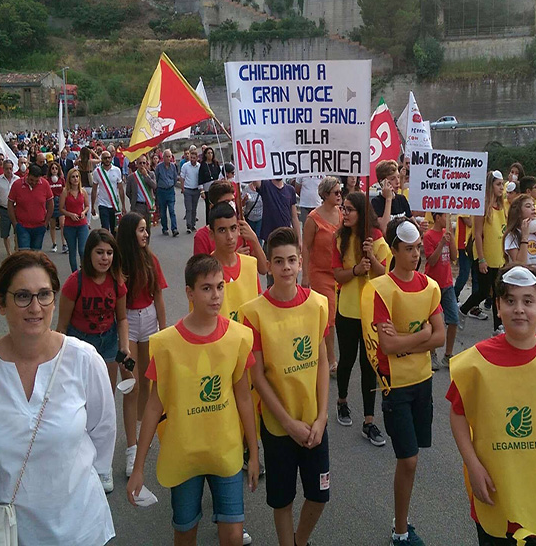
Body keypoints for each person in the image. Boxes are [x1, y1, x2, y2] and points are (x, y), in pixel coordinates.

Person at [0, 252, 115, 545]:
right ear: (1, 303)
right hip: (3, 533)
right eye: (22, 296)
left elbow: (103, 433)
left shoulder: (84, 360)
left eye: (44, 295)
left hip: (75, 528)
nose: (35, 307)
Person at [447, 265, 536, 546]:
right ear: (498, 307)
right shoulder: (475, 362)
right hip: (496, 496)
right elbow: (457, 414)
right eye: (510, 301)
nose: (519, 309)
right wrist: (473, 467)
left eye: (528, 301)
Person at [126, 255, 259, 546]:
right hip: (184, 454)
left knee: (234, 535)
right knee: (185, 532)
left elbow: (244, 398)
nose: (216, 295)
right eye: (207, 288)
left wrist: (254, 451)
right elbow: (153, 406)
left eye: (220, 286)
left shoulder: (238, 337)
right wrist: (138, 467)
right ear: (189, 293)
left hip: (226, 451)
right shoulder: (166, 344)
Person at [241, 228, 330, 546]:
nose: (286, 268)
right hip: (279, 427)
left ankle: (299, 540)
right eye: (278, 261)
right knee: (282, 500)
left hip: (313, 423)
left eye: (292, 260)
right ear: (270, 264)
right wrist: (288, 423)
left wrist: (321, 418)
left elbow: (321, 363)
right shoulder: (254, 313)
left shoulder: (318, 304)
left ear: (301, 262)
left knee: (319, 495)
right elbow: (259, 378)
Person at [363, 219, 446, 546]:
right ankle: (400, 529)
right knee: (408, 458)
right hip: (394, 385)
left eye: (417, 248)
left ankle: (403, 519)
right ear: (394, 250)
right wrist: (423, 334)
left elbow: (439, 336)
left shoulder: (430, 287)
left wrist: (414, 339)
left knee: (412, 458)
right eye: (408, 249)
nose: (416, 254)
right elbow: (388, 346)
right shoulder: (381, 289)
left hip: (422, 382)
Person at [55, 230, 130, 492]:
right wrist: (57, 359)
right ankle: (77, 458)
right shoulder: (74, 283)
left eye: (109, 253)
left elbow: (121, 318)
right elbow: (61, 326)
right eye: (100, 252)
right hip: (79, 343)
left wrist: (124, 347)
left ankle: (103, 466)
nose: (105, 258)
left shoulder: (117, 282)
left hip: (107, 342)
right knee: (79, 403)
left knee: (105, 405)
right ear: (89, 254)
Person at [331, 191, 390, 446]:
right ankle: (342, 401)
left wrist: (372, 259)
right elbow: (337, 275)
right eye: (343, 208)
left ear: (362, 212)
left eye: (349, 209)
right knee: (346, 360)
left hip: (370, 313)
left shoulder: (376, 238)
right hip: (346, 310)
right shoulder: (339, 238)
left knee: (370, 365)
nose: (344, 213)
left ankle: (369, 421)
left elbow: (385, 275)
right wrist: (356, 269)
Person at [116, 213, 167, 483]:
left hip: (148, 323)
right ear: (128, 233)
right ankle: (131, 448)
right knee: (131, 385)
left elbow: (159, 296)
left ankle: (145, 435)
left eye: (146, 230)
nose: (146, 235)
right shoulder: (118, 263)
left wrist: (164, 330)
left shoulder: (151, 260)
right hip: (125, 328)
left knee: (148, 383)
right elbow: (119, 309)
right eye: (141, 230)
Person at [302, 176, 342, 377]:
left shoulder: (341, 214)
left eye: (340, 191)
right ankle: (331, 359)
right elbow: (306, 247)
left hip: (339, 273)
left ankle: (325, 354)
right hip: (320, 273)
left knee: (337, 316)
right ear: (325, 195)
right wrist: (305, 276)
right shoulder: (313, 218)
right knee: (329, 318)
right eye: (335, 192)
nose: (339, 195)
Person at [461, 171, 507, 325]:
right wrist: (481, 259)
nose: (502, 187)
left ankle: (498, 326)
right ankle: (463, 310)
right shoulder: (481, 207)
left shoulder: (502, 207)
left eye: (502, 184)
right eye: (498, 184)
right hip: (485, 256)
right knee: (484, 291)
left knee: (497, 294)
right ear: (490, 186)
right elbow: (477, 235)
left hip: (498, 257)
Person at [208, 203, 264, 323]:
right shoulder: (205, 272)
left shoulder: (250, 264)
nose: (230, 237)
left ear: (239, 229)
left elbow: (257, 307)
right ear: (212, 234)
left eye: (233, 228)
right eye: (222, 230)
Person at [195, 182, 268, 270]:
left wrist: (254, 239)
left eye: (232, 200)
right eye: (225, 202)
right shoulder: (202, 236)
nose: (231, 205)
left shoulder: (243, 229)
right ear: (212, 207)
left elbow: (263, 268)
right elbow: (202, 275)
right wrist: (234, 258)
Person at [424, 212, 459, 370]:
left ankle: (448, 354)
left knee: (453, 320)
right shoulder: (428, 236)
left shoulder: (448, 234)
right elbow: (431, 260)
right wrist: (441, 244)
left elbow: (453, 257)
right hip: (433, 285)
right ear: (437, 218)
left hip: (447, 284)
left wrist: (451, 241)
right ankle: (432, 353)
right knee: (432, 321)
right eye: (446, 217)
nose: (448, 220)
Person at [503, 195, 536, 275]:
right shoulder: (512, 236)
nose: (533, 208)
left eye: (533, 205)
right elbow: (519, 265)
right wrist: (525, 238)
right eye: (528, 206)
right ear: (518, 213)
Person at [8, 164, 54, 251]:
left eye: (37, 181)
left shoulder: (45, 184)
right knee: (25, 255)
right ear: (28, 174)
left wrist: (46, 222)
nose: (34, 183)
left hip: (39, 226)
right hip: (22, 226)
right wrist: (15, 223)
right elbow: (10, 203)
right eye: (31, 180)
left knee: (35, 255)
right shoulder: (17, 184)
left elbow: (51, 203)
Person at [62, 168, 91, 273]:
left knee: (83, 250)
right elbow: (61, 208)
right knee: (72, 251)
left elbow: (87, 206)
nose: (75, 179)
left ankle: (84, 271)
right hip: (69, 225)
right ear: (69, 179)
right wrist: (70, 214)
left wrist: (84, 212)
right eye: (73, 177)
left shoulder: (83, 191)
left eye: (77, 176)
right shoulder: (65, 192)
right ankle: (74, 273)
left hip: (82, 224)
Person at [91, 151, 126, 237]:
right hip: (103, 204)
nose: (107, 160)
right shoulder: (97, 172)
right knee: (105, 229)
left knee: (115, 230)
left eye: (109, 157)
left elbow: (121, 189)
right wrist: (92, 206)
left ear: (111, 158)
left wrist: (123, 206)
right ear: (102, 159)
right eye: (105, 158)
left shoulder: (117, 170)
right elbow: (94, 189)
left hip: (114, 205)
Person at [372, 160, 412, 233]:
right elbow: (384, 229)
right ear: (382, 182)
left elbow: (412, 222)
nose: (397, 181)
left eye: (398, 177)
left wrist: (420, 228)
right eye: (392, 179)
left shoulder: (402, 199)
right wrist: (388, 199)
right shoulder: (376, 202)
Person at [259, 178, 301, 244]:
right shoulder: (266, 185)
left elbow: (294, 217)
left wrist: (299, 240)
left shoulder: (290, 189)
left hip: (286, 237)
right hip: (270, 238)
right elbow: (255, 178)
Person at [0, 158, 18, 256]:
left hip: (16, 210)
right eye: (6, 169)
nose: (9, 171)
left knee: (17, 231)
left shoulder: (17, 180)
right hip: (4, 209)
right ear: (3, 169)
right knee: (5, 233)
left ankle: (16, 250)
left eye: (10, 168)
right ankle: (9, 253)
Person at [155, 149, 180, 237]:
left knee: (172, 210)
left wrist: (171, 184)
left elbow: (175, 177)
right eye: (167, 156)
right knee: (163, 211)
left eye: (170, 157)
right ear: (163, 157)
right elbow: (156, 178)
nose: (168, 158)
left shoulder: (173, 166)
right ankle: (165, 228)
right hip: (161, 191)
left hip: (170, 190)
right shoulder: (159, 167)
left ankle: (174, 229)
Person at [125, 154, 156, 224]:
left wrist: (146, 176)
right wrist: (133, 199)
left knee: (147, 228)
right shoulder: (131, 177)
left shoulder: (151, 174)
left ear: (146, 163)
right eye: (140, 163)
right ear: (137, 165)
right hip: (138, 206)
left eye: (144, 163)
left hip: (148, 205)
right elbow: (128, 192)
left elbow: (154, 186)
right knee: (138, 226)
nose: (142, 165)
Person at [180, 147, 202, 233]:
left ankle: (193, 224)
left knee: (194, 208)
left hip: (196, 190)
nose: (192, 159)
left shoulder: (199, 166)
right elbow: (182, 177)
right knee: (188, 208)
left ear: (197, 158)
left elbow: (200, 178)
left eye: (194, 158)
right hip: (188, 189)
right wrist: (183, 188)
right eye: (191, 158)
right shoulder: (185, 166)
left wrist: (201, 189)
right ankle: (188, 225)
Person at [199, 147, 223, 223]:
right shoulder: (203, 165)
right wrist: (202, 191)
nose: (210, 155)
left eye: (211, 153)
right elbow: (200, 178)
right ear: (205, 154)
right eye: (208, 153)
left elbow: (220, 175)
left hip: (216, 188)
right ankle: (209, 223)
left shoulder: (215, 163)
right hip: (207, 189)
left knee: (217, 205)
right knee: (209, 207)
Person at [47, 161, 65, 254]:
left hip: (60, 202)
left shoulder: (61, 179)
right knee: (52, 225)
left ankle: (64, 244)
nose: (54, 170)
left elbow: (65, 190)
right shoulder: (47, 180)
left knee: (62, 224)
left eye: (56, 168)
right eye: (53, 168)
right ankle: (54, 243)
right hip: (51, 202)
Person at [454, 215, 473, 301]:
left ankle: (474, 304)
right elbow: (469, 223)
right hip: (464, 245)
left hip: (473, 244)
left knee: (475, 276)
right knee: (464, 274)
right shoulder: (465, 205)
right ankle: (454, 295)